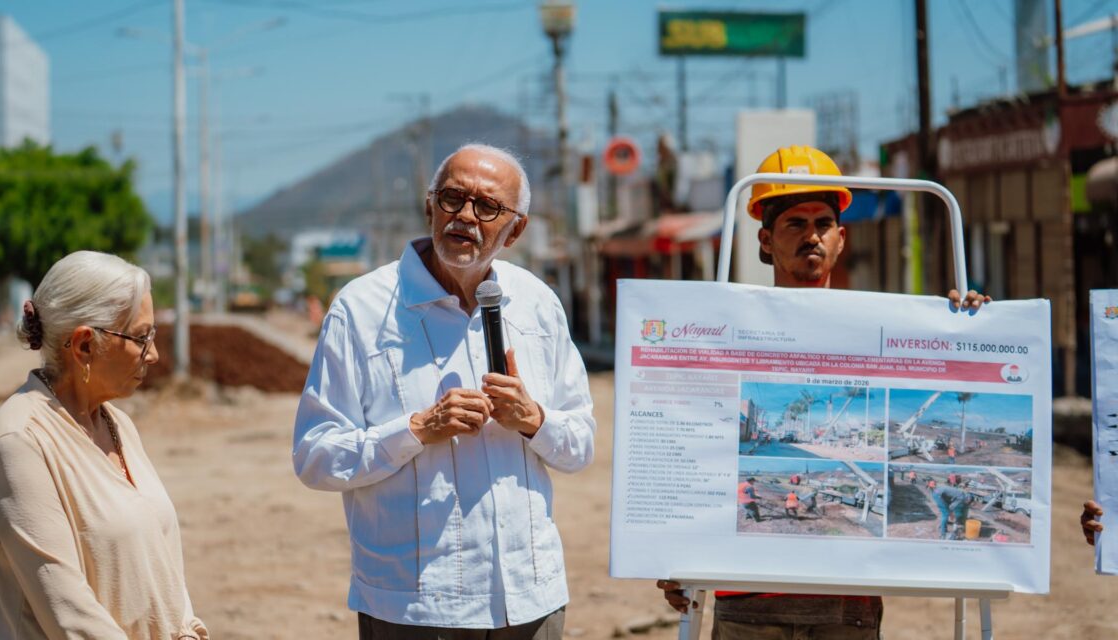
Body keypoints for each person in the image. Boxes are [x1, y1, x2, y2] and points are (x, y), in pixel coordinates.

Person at [657, 145, 990, 640]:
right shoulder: (716, 333)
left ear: (840, 239)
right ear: (766, 240)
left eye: (823, 223)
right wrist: (667, 552)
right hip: (743, 597)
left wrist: (970, 328)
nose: (811, 235)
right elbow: (681, 451)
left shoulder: (882, 333)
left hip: (845, 601)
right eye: (795, 222)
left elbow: (956, 360)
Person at [292, 144, 595, 638]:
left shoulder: (538, 304)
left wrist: (533, 419)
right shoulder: (362, 310)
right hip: (414, 606)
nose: (466, 217)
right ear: (429, 205)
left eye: (489, 207)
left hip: (530, 597)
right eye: (453, 198)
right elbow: (315, 457)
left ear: (516, 229)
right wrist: (416, 429)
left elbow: (580, 444)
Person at [0, 251, 208, 639]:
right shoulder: (19, 442)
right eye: (140, 337)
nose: (153, 354)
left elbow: (163, 568)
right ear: (85, 345)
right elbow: (71, 617)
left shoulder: (118, 424)